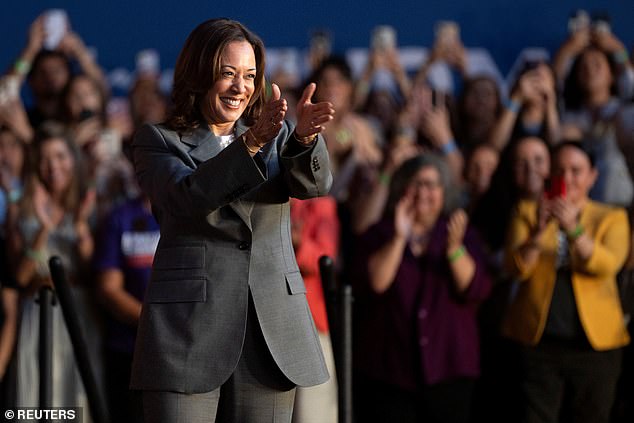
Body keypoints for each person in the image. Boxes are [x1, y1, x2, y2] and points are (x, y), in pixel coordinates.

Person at [130, 18, 335, 423]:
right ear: (199, 73)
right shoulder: (158, 141)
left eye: (250, 76)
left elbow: (314, 185)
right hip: (188, 331)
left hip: (270, 331)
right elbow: (187, 199)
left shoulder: (278, 136)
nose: (241, 88)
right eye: (228, 74)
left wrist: (306, 141)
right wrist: (251, 143)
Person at [352, 153, 491, 423]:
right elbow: (375, 284)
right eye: (417, 184)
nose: (424, 193)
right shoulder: (380, 233)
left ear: (444, 192)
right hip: (390, 370)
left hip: (449, 369)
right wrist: (400, 237)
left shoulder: (460, 234)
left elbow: (474, 289)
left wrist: (453, 249)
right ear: (402, 188)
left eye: (432, 185)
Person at [503, 141, 630, 423]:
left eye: (576, 170)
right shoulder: (526, 211)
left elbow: (606, 265)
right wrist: (538, 233)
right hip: (539, 344)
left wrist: (574, 229)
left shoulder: (612, 217)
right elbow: (516, 268)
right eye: (560, 170)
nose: (568, 178)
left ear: (592, 176)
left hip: (594, 348)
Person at [5, 123, 101, 418]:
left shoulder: (87, 203)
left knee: (78, 396)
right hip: (36, 310)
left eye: (60, 156)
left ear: (72, 159)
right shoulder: (19, 208)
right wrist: (43, 230)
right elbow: (19, 277)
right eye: (45, 158)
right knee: (36, 397)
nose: (53, 166)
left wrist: (82, 227)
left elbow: (91, 271)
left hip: (79, 310)